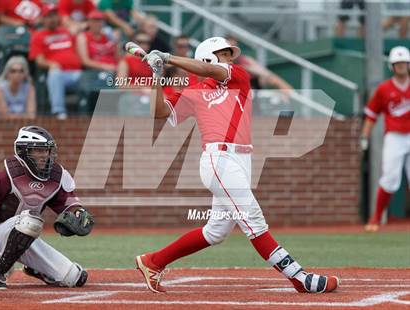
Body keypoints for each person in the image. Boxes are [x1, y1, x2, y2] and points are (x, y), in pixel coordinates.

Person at [135, 37, 340, 294]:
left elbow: (210, 70)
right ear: (209, 55)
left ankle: (153, 261)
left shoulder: (238, 77)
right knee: (253, 220)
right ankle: (299, 278)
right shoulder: (193, 92)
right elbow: (160, 112)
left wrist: (167, 58)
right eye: (224, 54)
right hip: (218, 160)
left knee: (216, 231)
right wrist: (157, 75)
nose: (230, 58)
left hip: (241, 160)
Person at [0, 126, 93, 289]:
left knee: (74, 278)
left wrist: (79, 213)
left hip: (24, 238)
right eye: (38, 150)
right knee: (30, 220)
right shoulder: (4, 177)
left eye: (47, 150)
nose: (44, 155)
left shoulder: (56, 177)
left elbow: (69, 204)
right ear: (24, 151)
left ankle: (35, 269)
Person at [361, 46, 410, 232]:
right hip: (395, 136)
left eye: (404, 63)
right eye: (397, 64)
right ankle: (375, 218)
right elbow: (371, 114)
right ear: (392, 66)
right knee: (390, 178)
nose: (401, 66)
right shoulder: (384, 89)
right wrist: (364, 136)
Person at [29, 5, 82, 119]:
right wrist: (51, 64)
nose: (51, 19)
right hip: (60, 75)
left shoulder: (66, 32)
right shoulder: (38, 36)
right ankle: (59, 112)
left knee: (97, 77)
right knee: (55, 74)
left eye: (53, 15)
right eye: (48, 16)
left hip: (78, 73)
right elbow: (39, 61)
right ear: (43, 19)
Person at [226, 35, 293, 92]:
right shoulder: (219, 66)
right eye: (229, 48)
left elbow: (266, 74)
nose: (233, 51)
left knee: (263, 78)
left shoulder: (245, 61)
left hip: (248, 100)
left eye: (235, 47)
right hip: (227, 101)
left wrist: (282, 85)